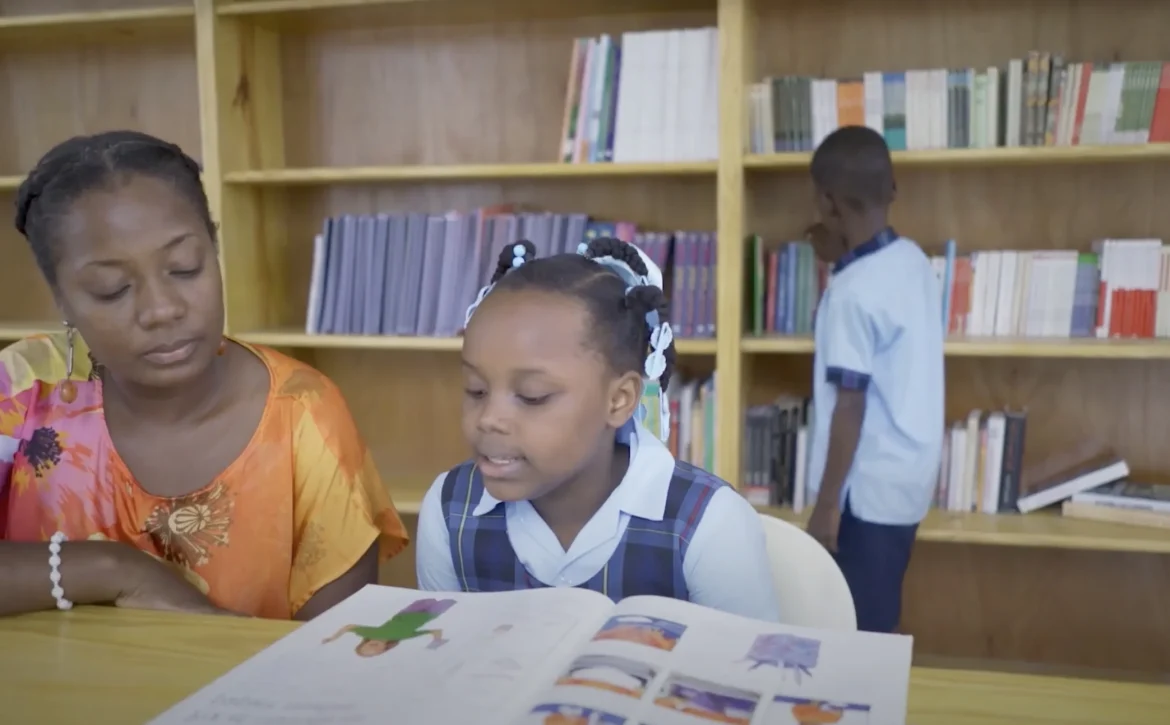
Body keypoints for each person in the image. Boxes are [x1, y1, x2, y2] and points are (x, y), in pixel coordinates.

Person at [0, 131, 409, 620]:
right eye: (112, 290)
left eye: (184, 267)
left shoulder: (302, 416)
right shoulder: (22, 392)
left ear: (213, 250)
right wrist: (116, 570)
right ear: (61, 299)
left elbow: (333, 659)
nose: (162, 309)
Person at [413, 236, 780, 622]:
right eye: (476, 390)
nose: (488, 418)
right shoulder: (449, 509)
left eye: (532, 396)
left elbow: (748, 675)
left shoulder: (708, 525)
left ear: (619, 400)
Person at [802, 125, 944, 633]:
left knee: (855, 628)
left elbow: (850, 405)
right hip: (907, 480)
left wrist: (825, 508)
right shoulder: (912, 263)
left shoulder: (851, 293)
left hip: (862, 493)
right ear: (893, 192)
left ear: (829, 204)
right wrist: (841, 256)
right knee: (879, 610)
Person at [322, 597, 456, 657]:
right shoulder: (402, 637)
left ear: (364, 643)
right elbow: (435, 630)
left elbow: (349, 626)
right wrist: (436, 641)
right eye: (376, 650)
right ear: (383, 649)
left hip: (409, 612)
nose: (373, 647)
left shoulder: (371, 633)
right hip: (429, 615)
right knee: (450, 601)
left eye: (368, 646)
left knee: (430, 598)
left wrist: (332, 638)